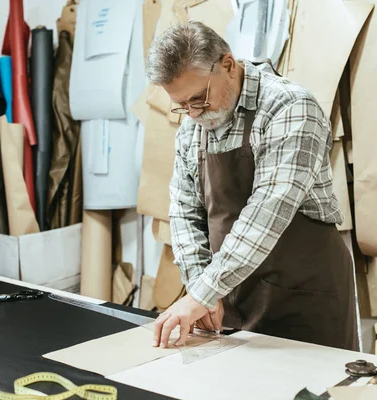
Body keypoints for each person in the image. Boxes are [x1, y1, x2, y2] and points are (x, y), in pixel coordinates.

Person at [146, 21, 358, 351]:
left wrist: (203, 293)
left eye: (198, 98)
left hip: (305, 300)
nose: (191, 113)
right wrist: (199, 286)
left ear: (228, 65)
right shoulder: (192, 129)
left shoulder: (290, 108)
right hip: (232, 298)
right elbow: (184, 214)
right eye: (181, 104)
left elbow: (266, 214)